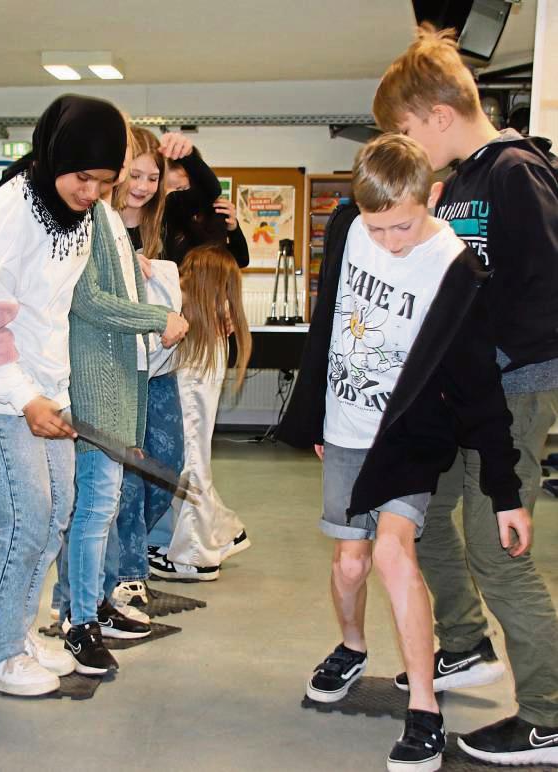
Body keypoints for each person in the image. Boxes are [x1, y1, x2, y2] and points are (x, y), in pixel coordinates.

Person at [277, 133, 530, 772]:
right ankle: (353, 647)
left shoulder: (458, 273)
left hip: (410, 436)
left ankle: (424, 711)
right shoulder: (344, 226)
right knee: (350, 564)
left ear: (433, 196)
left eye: (404, 225)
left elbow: (480, 390)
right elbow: (328, 313)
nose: (390, 241)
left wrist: (505, 491)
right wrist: (312, 412)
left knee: (392, 554)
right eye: (376, 225)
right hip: (342, 429)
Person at [372, 25, 558, 767]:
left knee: (496, 547)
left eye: (406, 131)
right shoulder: (462, 181)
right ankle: (460, 643)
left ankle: (547, 715)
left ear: (437, 115)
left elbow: (544, 291)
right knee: (422, 515)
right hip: (466, 392)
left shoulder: (514, 172)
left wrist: (485, 363)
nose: (407, 146)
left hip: (511, 390)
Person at [0, 94, 127, 697]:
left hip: (44, 389)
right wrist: (26, 397)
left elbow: (47, 315)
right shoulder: (11, 215)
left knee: (55, 518)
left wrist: (56, 391)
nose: (93, 193)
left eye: (105, 182)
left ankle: (16, 633)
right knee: (22, 522)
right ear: (54, 160)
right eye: (83, 178)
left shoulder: (76, 215)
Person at [57, 158, 188, 674]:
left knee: (104, 507)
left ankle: (95, 603)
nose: (136, 183)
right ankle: (78, 620)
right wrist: (158, 316)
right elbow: (87, 300)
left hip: (122, 378)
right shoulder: (86, 216)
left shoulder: (109, 220)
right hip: (93, 383)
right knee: (91, 510)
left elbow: (117, 297)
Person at [104, 126, 185, 608]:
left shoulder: (162, 222)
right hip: (117, 367)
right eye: (134, 174)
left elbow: (222, 248)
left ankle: (136, 549)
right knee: (129, 472)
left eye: (153, 177)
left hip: (159, 364)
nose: (142, 185)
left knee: (168, 466)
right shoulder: (97, 223)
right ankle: (128, 570)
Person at [148, 244, 252, 582]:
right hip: (197, 405)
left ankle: (195, 557)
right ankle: (221, 533)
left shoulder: (194, 317)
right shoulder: (212, 319)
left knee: (189, 470)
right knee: (194, 468)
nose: (183, 277)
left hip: (190, 407)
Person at [163, 138, 249, 269]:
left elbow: (241, 259)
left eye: (181, 189)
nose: (174, 195)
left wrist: (233, 229)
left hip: (209, 285)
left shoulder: (214, 212)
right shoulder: (166, 212)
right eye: (166, 188)